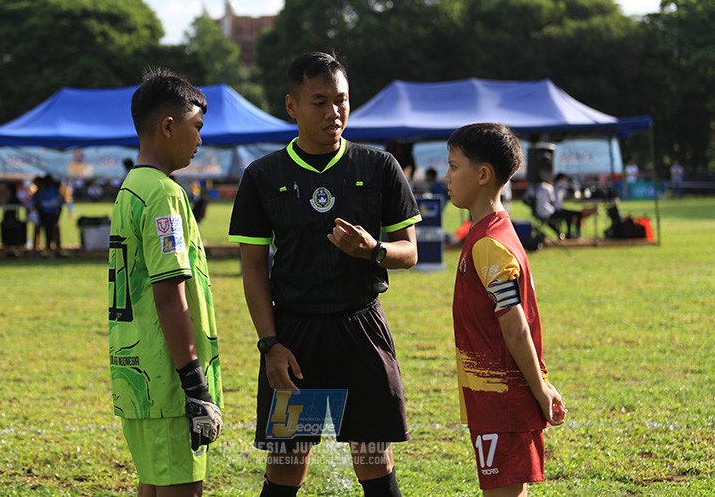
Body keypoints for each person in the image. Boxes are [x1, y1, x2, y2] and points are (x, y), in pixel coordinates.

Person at [228, 52, 421, 497]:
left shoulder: (378, 167)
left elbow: (409, 252)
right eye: (319, 102)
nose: (334, 112)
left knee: (374, 460)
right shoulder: (263, 175)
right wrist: (271, 345)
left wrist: (374, 251)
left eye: (342, 100)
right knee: (288, 465)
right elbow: (254, 269)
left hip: (361, 329)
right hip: (296, 337)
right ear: (292, 106)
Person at [108, 68, 222, 496]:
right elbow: (170, 295)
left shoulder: (130, 186)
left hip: (138, 375)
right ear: (168, 126)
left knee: (153, 486)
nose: (199, 140)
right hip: (169, 383)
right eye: (196, 128)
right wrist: (195, 384)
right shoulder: (164, 193)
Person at [443, 123, 565, 496]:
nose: (445, 177)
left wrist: (541, 389)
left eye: (453, 166)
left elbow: (515, 328)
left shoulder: (490, 245)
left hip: (503, 402)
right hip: (495, 400)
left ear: (482, 175)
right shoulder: (493, 232)